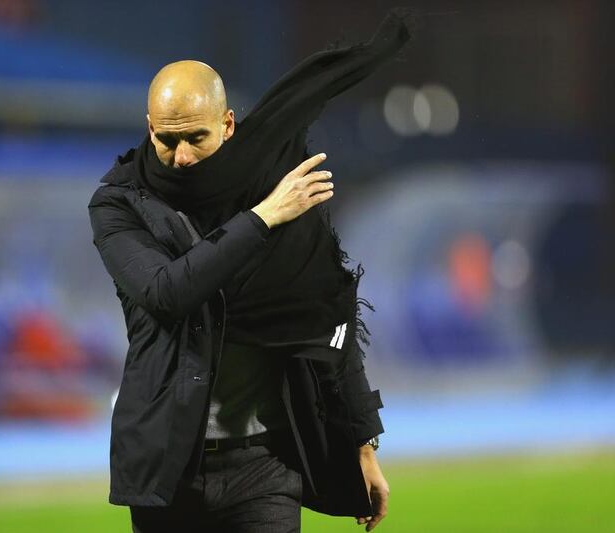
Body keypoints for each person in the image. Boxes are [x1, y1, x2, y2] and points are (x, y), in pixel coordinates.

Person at [89, 12, 411, 532]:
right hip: (168, 468)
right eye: (167, 141)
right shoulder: (118, 205)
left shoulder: (270, 182)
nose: (181, 157)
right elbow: (169, 292)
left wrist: (362, 441)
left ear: (228, 124)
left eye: (196, 137)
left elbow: (325, 310)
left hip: (267, 463)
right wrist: (264, 217)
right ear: (149, 129)